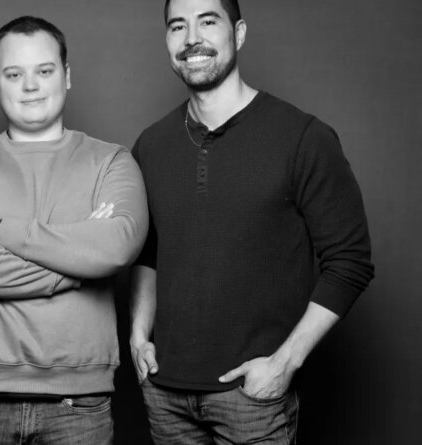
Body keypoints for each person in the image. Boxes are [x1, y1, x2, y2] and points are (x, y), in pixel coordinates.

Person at [129, 0, 375, 443]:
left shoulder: (303, 137)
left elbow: (350, 262)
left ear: (238, 34)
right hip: (164, 394)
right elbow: (148, 251)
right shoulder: (150, 144)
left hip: (252, 399)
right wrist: (137, 333)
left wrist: (284, 363)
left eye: (208, 22)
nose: (191, 39)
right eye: (177, 26)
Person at [0, 16, 148, 445]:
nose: (30, 86)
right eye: (14, 74)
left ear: (66, 76)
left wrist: (2, 234)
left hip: (78, 404)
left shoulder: (111, 162)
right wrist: (79, 262)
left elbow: (117, 247)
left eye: (44, 71)